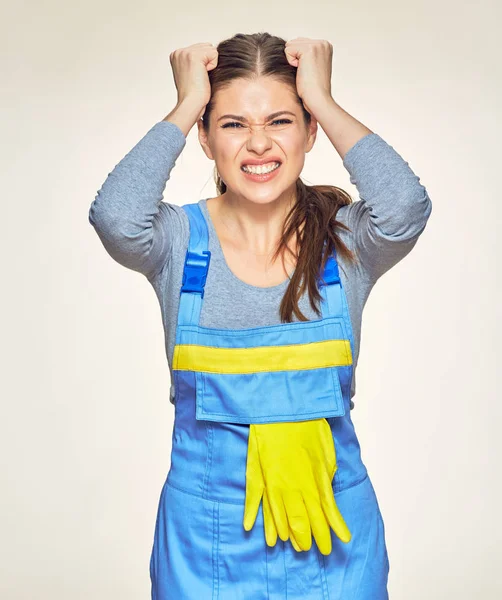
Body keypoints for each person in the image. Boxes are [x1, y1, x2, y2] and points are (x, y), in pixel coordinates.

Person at [89, 32, 432, 600]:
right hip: (206, 540)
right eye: (231, 124)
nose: (258, 145)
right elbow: (115, 218)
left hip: (333, 536)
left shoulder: (346, 243)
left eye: (280, 121)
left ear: (309, 132)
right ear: (204, 136)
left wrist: (320, 96)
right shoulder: (177, 241)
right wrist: (183, 104)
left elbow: (406, 208)